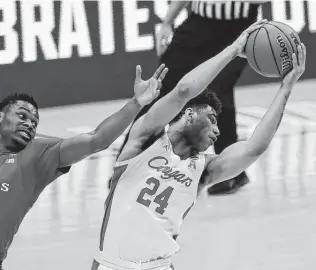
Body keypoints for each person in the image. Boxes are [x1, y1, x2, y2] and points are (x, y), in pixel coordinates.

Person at [93, 19, 306, 270]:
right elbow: (183, 90)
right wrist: (235, 49)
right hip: (112, 266)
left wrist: (286, 87)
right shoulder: (144, 139)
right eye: (212, 119)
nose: (217, 130)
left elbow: (253, 148)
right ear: (190, 114)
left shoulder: (203, 170)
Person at [0, 64, 168, 269]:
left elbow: (96, 139)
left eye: (34, 122)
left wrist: (136, 103)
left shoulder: (37, 155)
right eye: (22, 116)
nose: (29, 124)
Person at [114, 1, 267, 195]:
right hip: (198, 24)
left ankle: (232, 174)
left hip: (237, 29)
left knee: (219, 92)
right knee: (161, 87)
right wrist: (167, 22)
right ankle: (127, 163)